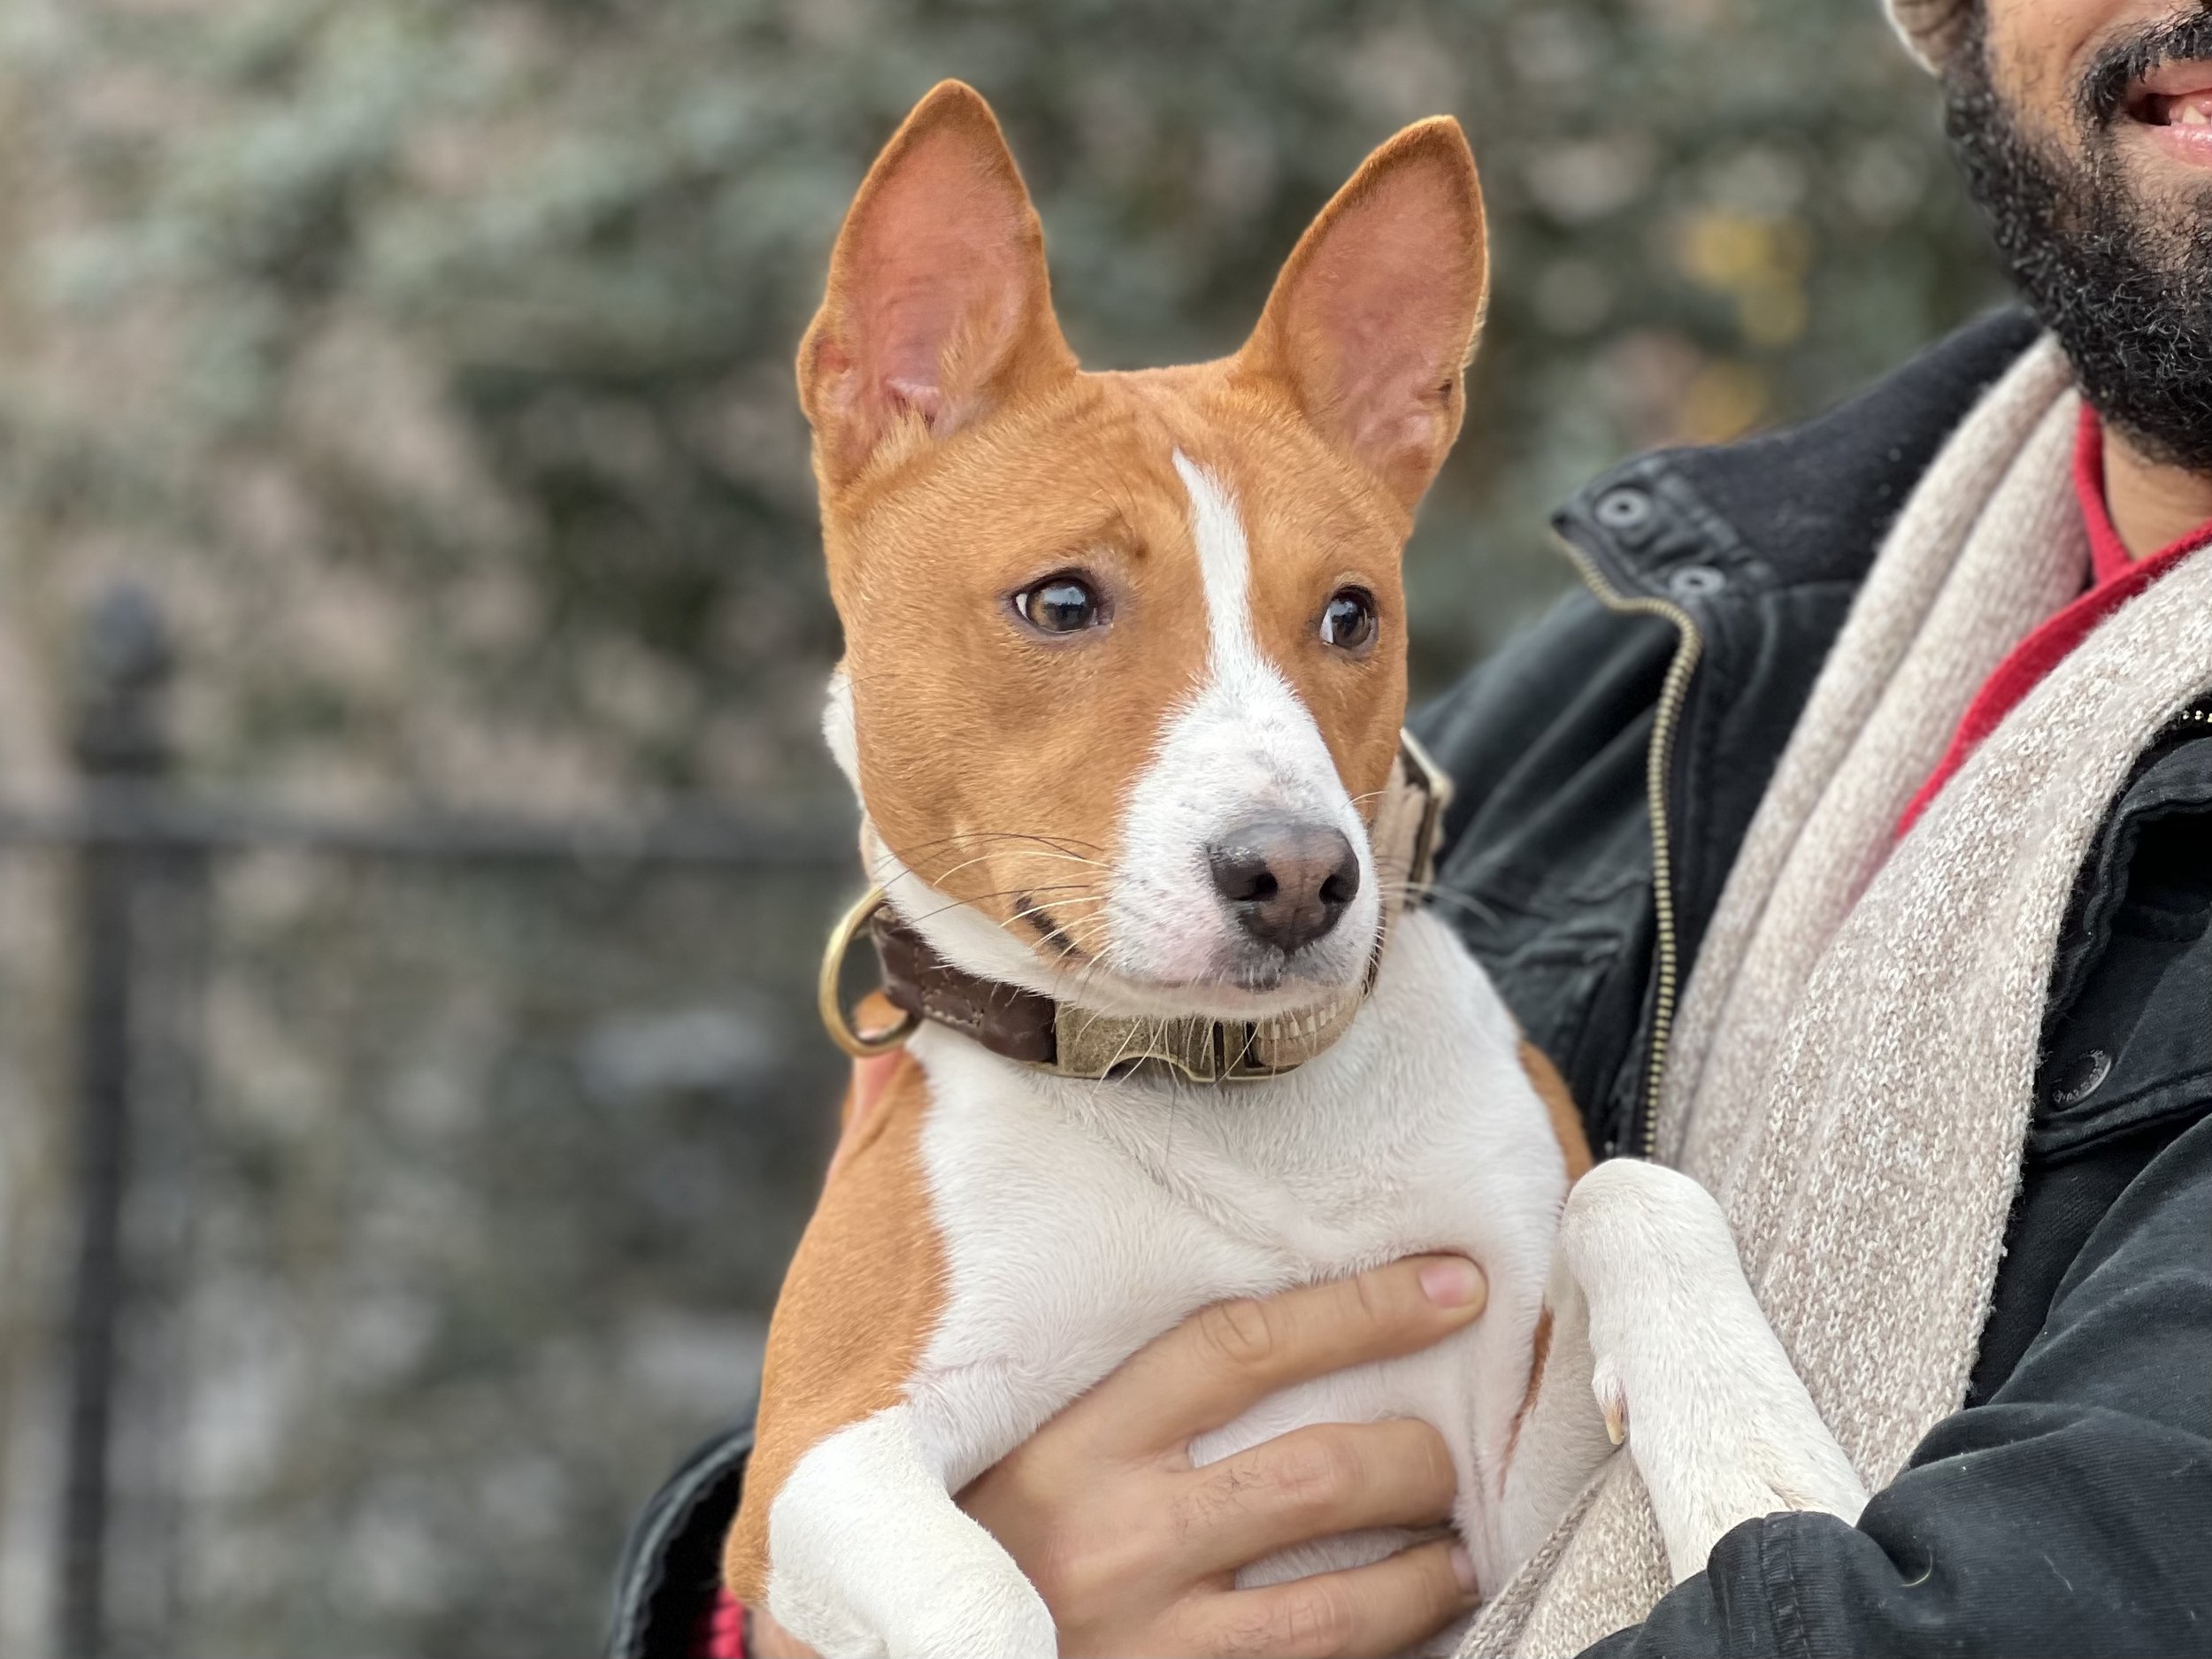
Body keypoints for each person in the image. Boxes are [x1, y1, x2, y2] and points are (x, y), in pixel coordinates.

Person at [608, 0, 2212, 1653]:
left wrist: (1651, 1259)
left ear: (1404, 418)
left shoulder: (1484, 878)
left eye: (1344, 622)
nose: (1295, 830)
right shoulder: (1638, 677)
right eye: (1068, 603)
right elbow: (800, 1520)